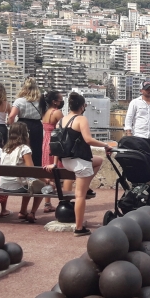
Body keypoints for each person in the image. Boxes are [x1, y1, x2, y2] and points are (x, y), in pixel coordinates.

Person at [47, 92, 111, 237]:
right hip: (80, 162)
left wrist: (55, 164)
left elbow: (57, 145)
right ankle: (79, 227)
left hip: (66, 162)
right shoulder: (81, 119)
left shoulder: (61, 121)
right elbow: (88, 140)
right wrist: (105, 145)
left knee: (98, 160)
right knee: (80, 196)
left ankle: (86, 187)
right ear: (82, 106)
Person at [0, 123, 46, 223]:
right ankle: (32, 213)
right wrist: (47, 181)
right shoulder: (24, 149)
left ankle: (23, 211)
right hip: (18, 186)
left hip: (4, 185)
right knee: (42, 186)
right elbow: (32, 171)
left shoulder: (4, 149)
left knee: (27, 182)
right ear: (25, 134)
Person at [9, 77, 45, 166]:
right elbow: (44, 115)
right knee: (36, 150)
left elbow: (11, 116)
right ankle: (36, 169)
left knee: (21, 148)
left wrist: (12, 127)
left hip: (22, 126)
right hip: (37, 125)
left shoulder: (19, 101)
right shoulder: (41, 101)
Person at [40, 90, 66, 214]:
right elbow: (64, 127)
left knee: (48, 173)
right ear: (55, 101)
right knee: (61, 172)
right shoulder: (57, 113)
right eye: (60, 99)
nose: (62, 101)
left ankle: (47, 203)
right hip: (54, 142)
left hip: (46, 142)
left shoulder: (45, 112)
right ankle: (64, 201)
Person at [124, 80, 150, 157]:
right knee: (138, 158)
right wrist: (128, 133)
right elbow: (129, 117)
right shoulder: (135, 102)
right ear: (141, 91)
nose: (149, 90)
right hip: (138, 136)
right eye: (147, 89)